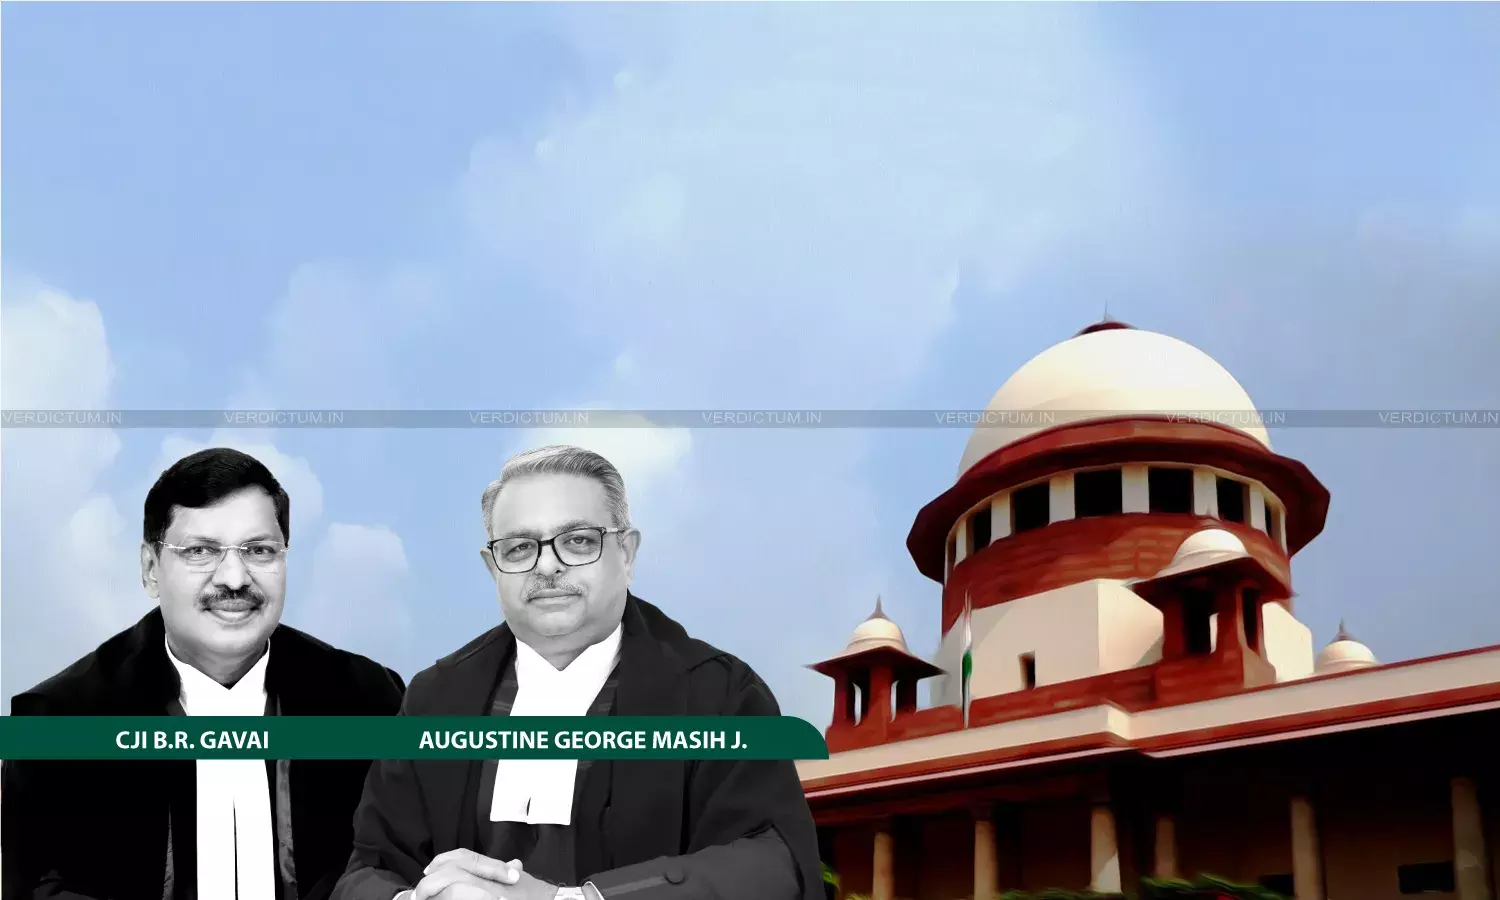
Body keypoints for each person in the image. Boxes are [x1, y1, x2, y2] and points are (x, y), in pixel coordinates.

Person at [333, 445, 821, 900]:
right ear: (492, 567)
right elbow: (367, 869)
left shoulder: (717, 692)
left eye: (578, 541)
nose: (547, 566)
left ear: (627, 553)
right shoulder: (435, 699)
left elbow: (772, 863)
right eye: (519, 548)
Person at [2, 447, 407, 900]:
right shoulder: (57, 721)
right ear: (150, 569)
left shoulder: (371, 701)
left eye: (259, 550)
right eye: (200, 551)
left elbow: (398, 863)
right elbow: (34, 888)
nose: (234, 578)